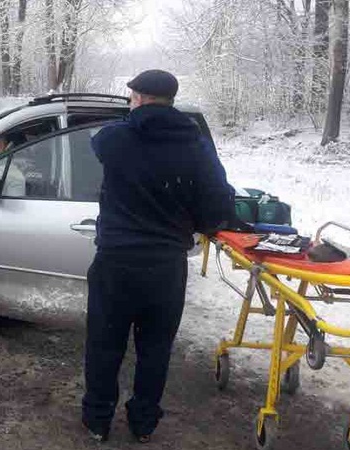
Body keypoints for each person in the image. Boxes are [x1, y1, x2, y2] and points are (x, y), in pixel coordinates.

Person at [82, 69, 234, 443]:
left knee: (104, 343)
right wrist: (193, 221)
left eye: (132, 96)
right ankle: (143, 424)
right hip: (165, 267)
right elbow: (218, 207)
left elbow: (99, 143)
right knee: (155, 349)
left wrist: (133, 119)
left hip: (116, 262)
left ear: (139, 98)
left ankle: (98, 419)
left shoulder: (117, 138)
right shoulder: (196, 146)